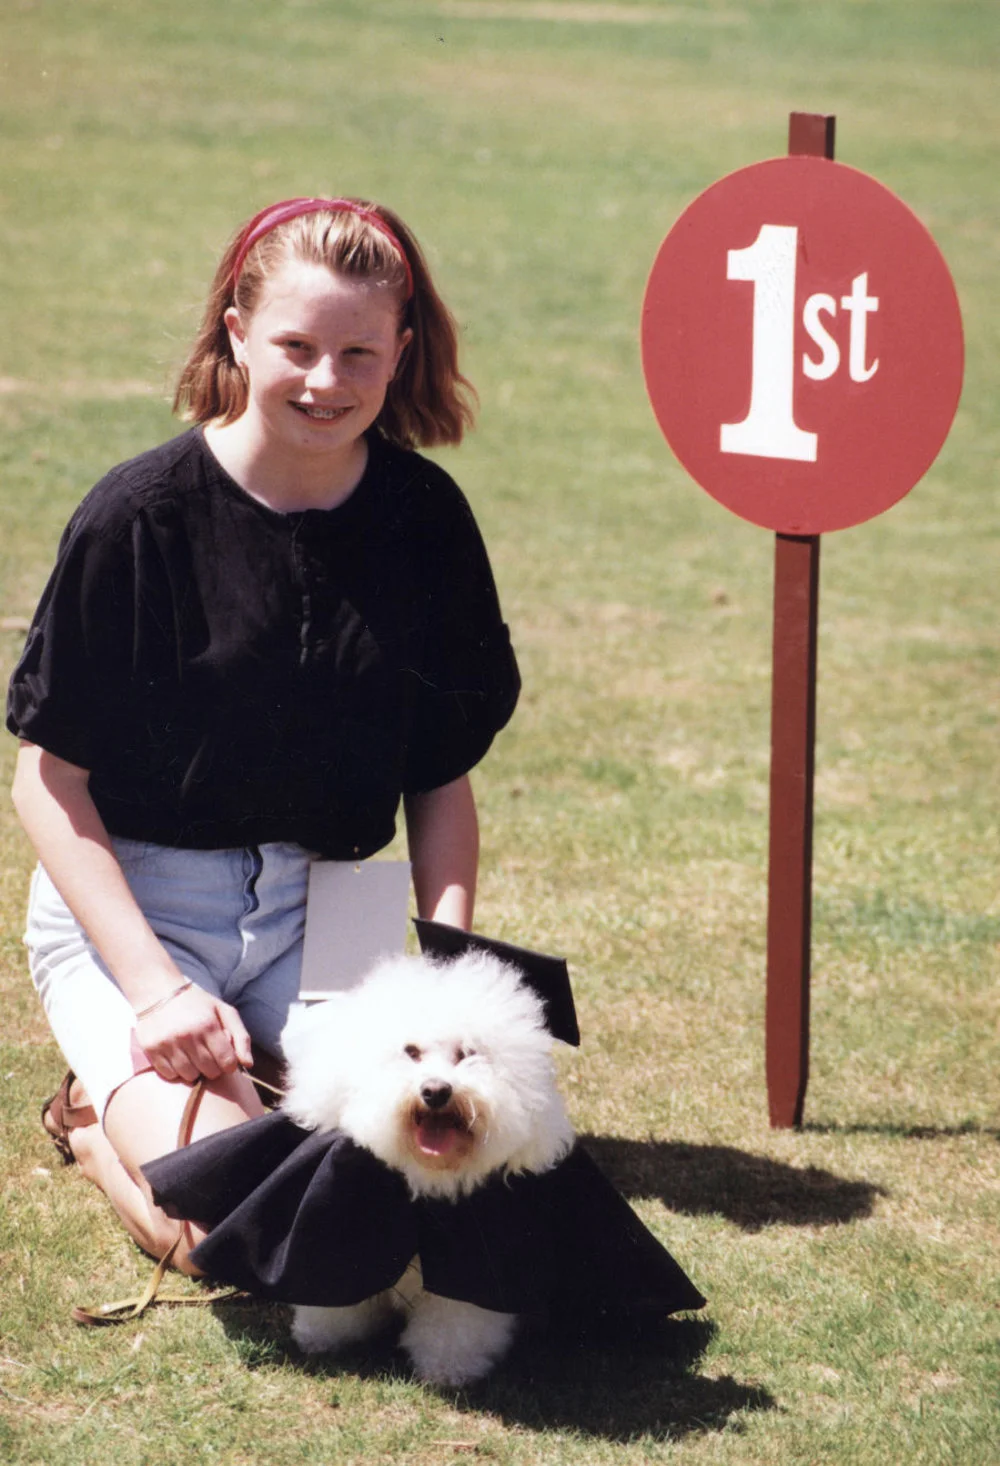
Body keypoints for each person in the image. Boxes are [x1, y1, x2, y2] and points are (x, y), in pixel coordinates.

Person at [6, 196, 520, 1274]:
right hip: (142, 908)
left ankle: (254, 1084)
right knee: (235, 1228)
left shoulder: (426, 522)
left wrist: (449, 976)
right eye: (295, 345)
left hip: (330, 898)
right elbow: (47, 783)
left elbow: (440, 775)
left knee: (425, 1186)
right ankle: (95, 1119)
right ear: (236, 331)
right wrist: (157, 992)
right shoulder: (136, 516)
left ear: (401, 353)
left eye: (358, 352)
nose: (326, 381)